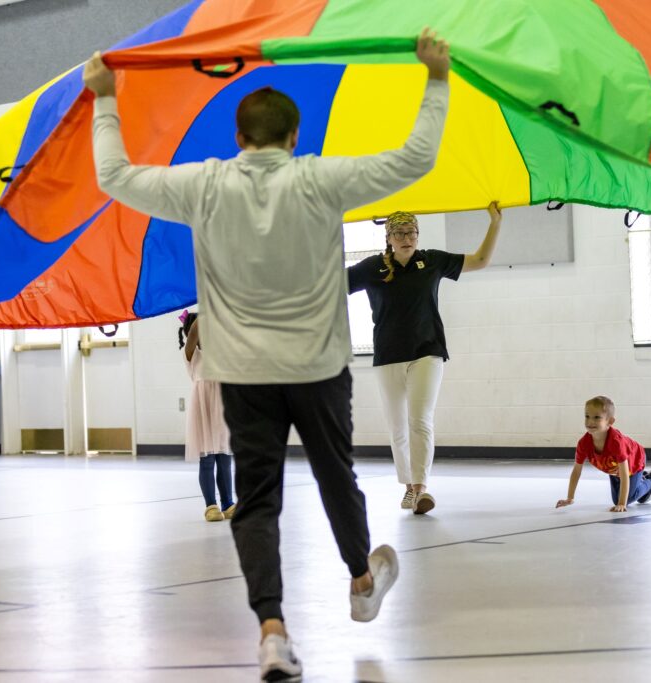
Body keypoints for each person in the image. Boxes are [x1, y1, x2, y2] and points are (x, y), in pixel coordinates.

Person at [83, 28, 451, 680]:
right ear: (292, 137)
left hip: (241, 374)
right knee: (338, 476)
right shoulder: (321, 179)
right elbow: (414, 159)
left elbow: (113, 175)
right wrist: (436, 79)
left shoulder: (204, 185)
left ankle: (272, 630)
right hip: (316, 367)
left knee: (257, 499)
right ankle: (362, 580)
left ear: (239, 138)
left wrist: (107, 99)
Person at [347, 203, 501, 515]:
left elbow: (481, 260)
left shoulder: (431, 261)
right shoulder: (371, 267)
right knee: (397, 426)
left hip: (427, 352)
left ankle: (421, 490)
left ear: (418, 235)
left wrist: (495, 222)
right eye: (400, 233)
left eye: (411, 232)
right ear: (389, 237)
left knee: (420, 419)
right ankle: (407, 486)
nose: (407, 238)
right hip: (388, 355)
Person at [555, 396, 651, 511]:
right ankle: (642, 488)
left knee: (626, 500)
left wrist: (622, 503)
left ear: (610, 421)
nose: (590, 421)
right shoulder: (583, 443)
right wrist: (570, 497)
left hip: (634, 462)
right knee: (619, 500)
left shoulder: (616, 443)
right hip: (614, 468)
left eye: (597, 417)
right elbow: (576, 470)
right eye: (587, 416)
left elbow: (624, 473)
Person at [179, 310, 235, 522]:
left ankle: (228, 503)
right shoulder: (191, 354)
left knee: (224, 457)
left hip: (221, 406)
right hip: (202, 408)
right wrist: (209, 304)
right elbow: (194, 331)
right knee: (207, 459)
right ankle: (211, 505)